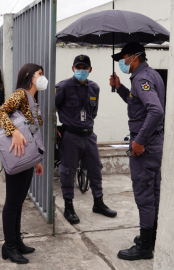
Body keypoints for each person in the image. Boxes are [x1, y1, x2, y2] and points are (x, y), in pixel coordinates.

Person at [109, 42, 165, 260]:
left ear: (134, 57)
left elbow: (155, 110)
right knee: (153, 193)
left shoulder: (141, 78)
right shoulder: (151, 75)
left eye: (123, 58)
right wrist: (121, 87)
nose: (122, 62)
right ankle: (151, 237)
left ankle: (144, 246)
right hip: (154, 143)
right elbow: (137, 104)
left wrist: (139, 141)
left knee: (144, 194)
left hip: (146, 146)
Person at [56, 54, 118, 226]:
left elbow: (94, 111)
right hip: (71, 136)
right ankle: (69, 206)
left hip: (89, 136)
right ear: (73, 68)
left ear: (90, 70)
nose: (81, 71)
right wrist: (55, 130)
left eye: (84, 68)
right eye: (78, 67)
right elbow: (51, 107)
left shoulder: (95, 88)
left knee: (95, 169)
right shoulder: (63, 86)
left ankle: (98, 202)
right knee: (68, 172)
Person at [0, 63, 45, 264]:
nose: (42, 78)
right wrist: (13, 132)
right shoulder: (20, 94)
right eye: (40, 74)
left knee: (19, 201)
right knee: (13, 203)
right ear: (29, 76)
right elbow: (0, 112)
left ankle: (17, 241)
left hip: (27, 155)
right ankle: (9, 246)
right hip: (17, 154)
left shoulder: (32, 98)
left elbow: (32, 130)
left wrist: (37, 161)